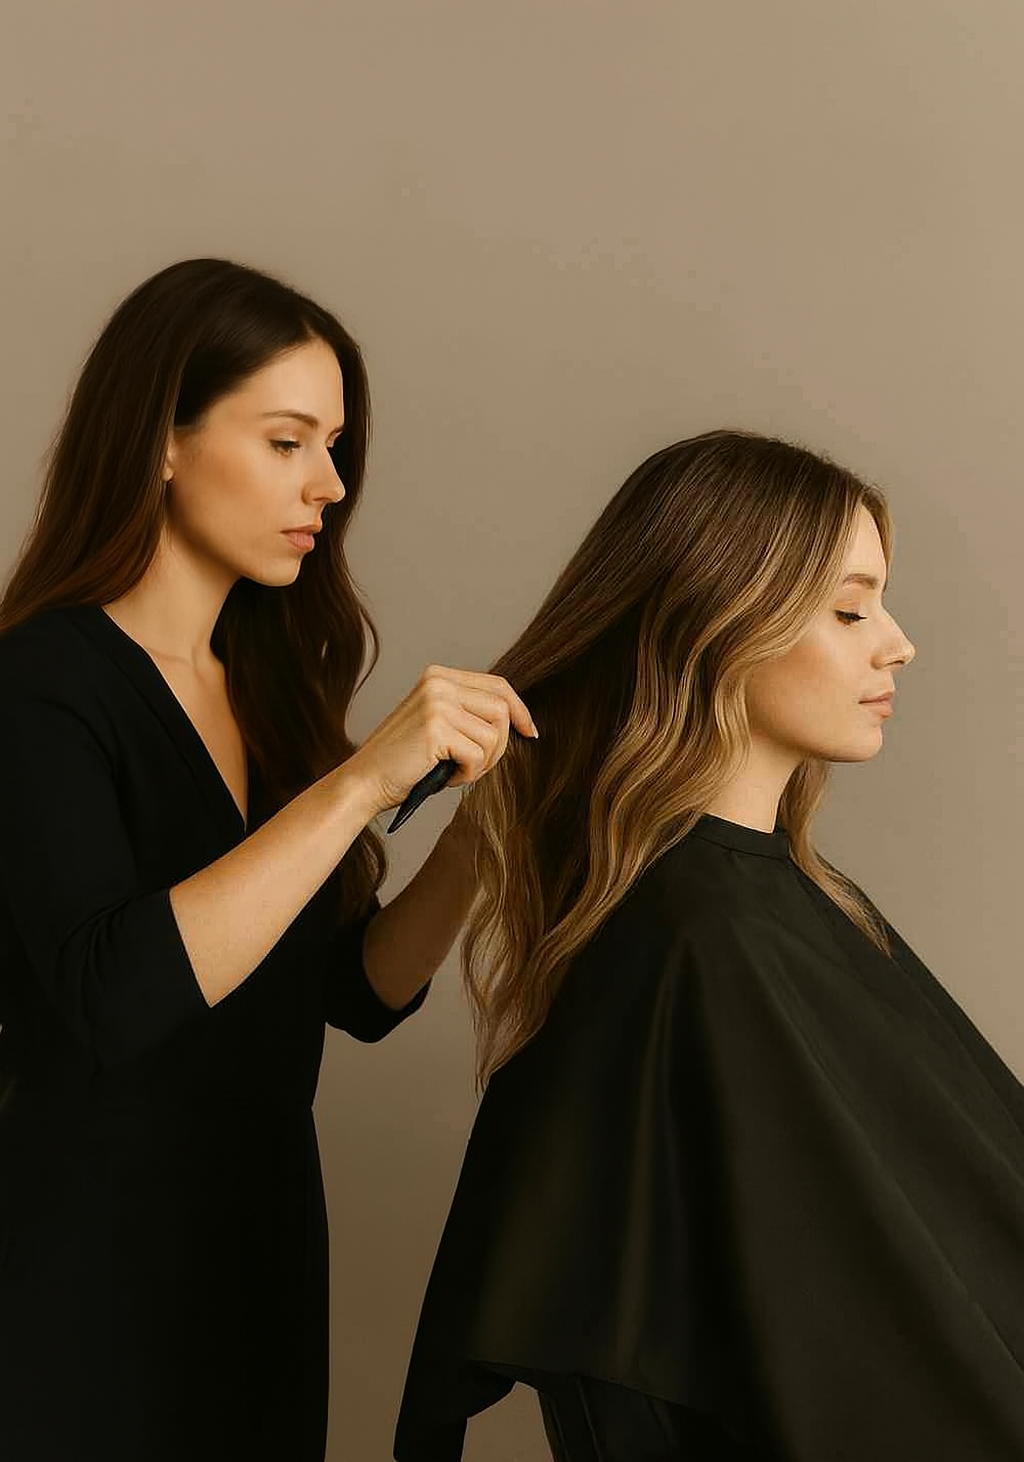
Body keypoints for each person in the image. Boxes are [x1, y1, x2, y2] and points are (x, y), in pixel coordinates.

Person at [393, 430, 1024, 1462]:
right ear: (720, 624)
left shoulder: (780, 905)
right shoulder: (698, 936)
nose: (898, 643)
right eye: (851, 610)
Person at [0, 257, 536, 1462]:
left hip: (258, 1259)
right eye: (288, 441)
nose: (329, 485)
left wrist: (482, 835)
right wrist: (363, 784)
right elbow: (113, 992)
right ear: (162, 441)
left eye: (333, 448)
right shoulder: (39, 683)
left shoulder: (274, 692)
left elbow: (355, 991)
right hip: (84, 1283)